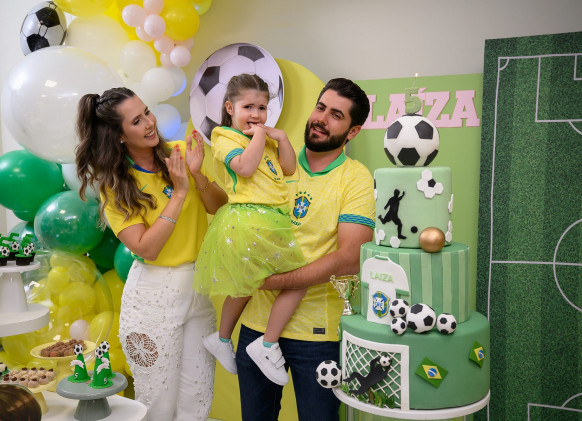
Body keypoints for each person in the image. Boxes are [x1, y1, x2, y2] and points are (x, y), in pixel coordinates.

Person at [75, 87, 228, 421]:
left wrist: (196, 173)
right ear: (118, 135)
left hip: (198, 287)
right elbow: (147, 248)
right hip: (153, 297)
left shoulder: (178, 153)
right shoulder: (115, 186)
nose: (149, 122)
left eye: (147, 112)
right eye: (136, 120)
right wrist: (180, 192)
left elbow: (219, 206)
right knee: (158, 403)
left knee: (197, 399)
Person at [235, 78, 375, 420]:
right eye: (320, 107)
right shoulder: (271, 161)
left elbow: (351, 257)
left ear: (353, 131)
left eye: (336, 115)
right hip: (256, 323)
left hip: (316, 336)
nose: (321, 119)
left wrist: (277, 281)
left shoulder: (356, 178)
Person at [194, 74, 306, 386]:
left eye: (262, 108)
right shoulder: (223, 136)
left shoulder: (263, 139)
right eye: (248, 107)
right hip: (249, 220)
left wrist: (281, 139)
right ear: (230, 108)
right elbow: (243, 167)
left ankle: (222, 338)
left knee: (244, 285)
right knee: (298, 281)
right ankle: (267, 344)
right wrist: (259, 136)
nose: (256, 115)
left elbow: (288, 169)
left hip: (267, 218)